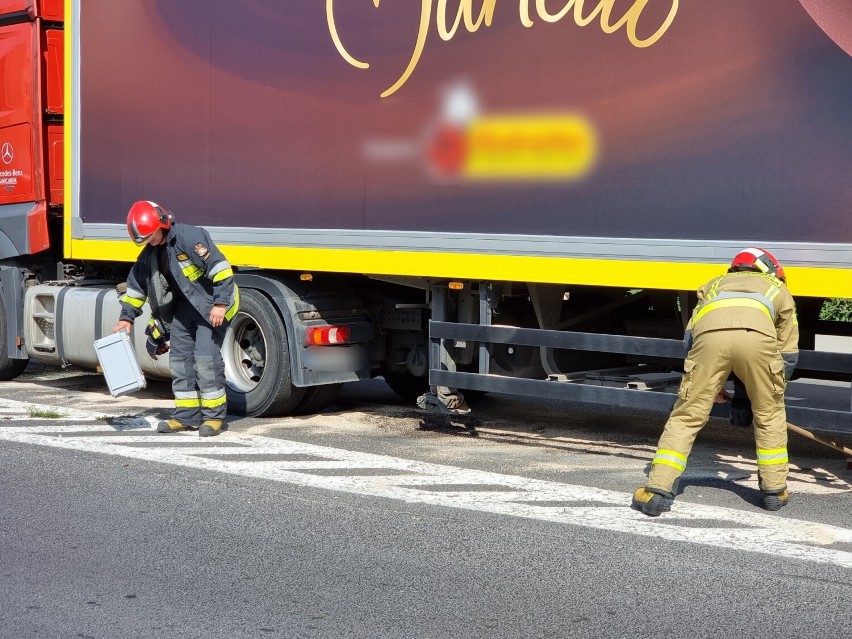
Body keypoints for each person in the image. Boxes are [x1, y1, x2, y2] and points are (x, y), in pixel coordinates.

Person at [632, 247, 799, 515]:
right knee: (769, 415)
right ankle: (774, 491)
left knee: (686, 416)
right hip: (758, 344)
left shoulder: (713, 285)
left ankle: (656, 491)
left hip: (708, 345)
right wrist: (772, 391)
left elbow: (691, 339)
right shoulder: (777, 289)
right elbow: (788, 352)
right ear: (770, 269)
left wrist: (711, 383)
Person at [113, 201, 239, 437]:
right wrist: (126, 319)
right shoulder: (148, 255)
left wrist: (220, 304)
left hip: (211, 305)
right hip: (184, 309)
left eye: (151, 236)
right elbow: (136, 289)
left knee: (205, 359)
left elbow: (221, 269)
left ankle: (213, 417)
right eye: (144, 239)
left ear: (162, 224)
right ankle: (186, 416)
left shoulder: (190, 237)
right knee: (180, 361)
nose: (149, 241)